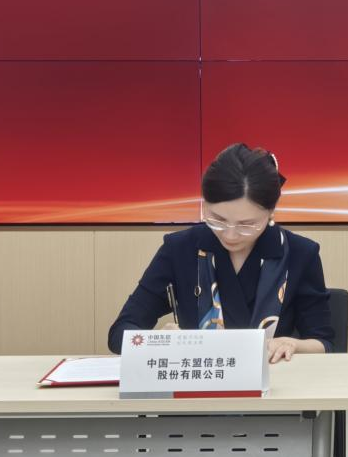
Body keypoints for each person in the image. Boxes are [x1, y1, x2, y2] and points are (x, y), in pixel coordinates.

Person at [108, 143, 333, 363]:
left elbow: (325, 343)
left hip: (275, 380)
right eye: (218, 220)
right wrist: (158, 342)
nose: (230, 235)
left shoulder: (300, 253)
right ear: (205, 204)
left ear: (271, 212)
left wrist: (293, 344)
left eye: (247, 224)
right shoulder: (180, 248)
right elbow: (120, 332)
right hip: (198, 380)